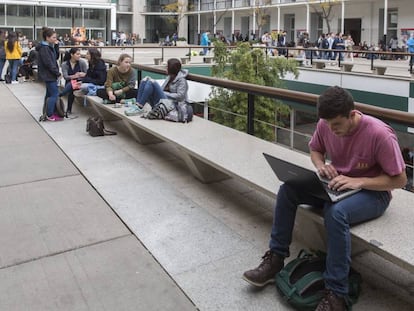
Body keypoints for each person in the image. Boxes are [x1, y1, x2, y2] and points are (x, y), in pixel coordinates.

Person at [242, 86, 407, 311]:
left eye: (336, 124)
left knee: (336, 212)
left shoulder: (379, 134)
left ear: (352, 114)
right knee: (288, 190)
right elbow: (316, 150)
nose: (331, 129)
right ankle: (276, 259)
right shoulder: (326, 124)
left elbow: (399, 180)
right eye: (327, 124)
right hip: (337, 185)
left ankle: (337, 293)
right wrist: (321, 166)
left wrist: (359, 181)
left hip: (373, 193)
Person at [36, 27, 62, 121]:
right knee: (54, 94)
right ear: (47, 37)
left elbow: (56, 57)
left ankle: (46, 112)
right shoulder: (45, 49)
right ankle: (49, 114)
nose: (56, 39)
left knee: (49, 94)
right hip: (49, 74)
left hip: (49, 74)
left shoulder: (49, 47)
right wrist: (57, 73)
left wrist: (56, 46)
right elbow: (49, 63)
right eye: (54, 37)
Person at [59, 47, 88, 115]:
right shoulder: (65, 64)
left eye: (80, 54)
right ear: (72, 55)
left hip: (80, 82)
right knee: (72, 87)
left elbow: (87, 74)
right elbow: (65, 77)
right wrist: (75, 76)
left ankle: (61, 94)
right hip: (70, 83)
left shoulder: (82, 62)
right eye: (77, 54)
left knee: (72, 86)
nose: (79, 56)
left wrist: (82, 74)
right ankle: (68, 109)